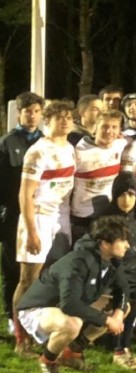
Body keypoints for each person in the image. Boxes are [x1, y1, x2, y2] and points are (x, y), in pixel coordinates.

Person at [16, 216, 131, 373]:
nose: (128, 245)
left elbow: (123, 288)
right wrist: (107, 321)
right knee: (73, 324)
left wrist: (118, 315)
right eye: (122, 240)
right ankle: (48, 362)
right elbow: (69, 305)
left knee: (123, 307)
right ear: (105, 244)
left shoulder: (112, 259)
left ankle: (72, 352)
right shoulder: (78, 262)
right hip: (37, 309)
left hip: (66, 305)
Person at [13, 100, 76, 357]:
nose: (65, 121)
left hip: (59, 219)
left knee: (52, 279)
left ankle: (46, 330)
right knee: (28, 279)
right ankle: (20, 337)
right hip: (37, 217)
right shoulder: (38, 151)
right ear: (46, 121)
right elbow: (25, 194)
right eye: (59, 117)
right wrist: (32, 231)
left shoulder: (70, 147)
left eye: (68, 117)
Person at [0, 92, 44, 336]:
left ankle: (34, 314)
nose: (32, 115)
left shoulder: (45, 142)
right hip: (13, 216)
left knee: (36, 269)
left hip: (40, 216)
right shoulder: (7, 142)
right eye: (28, 111)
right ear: (19, 113)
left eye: (36, 111)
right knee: (12, 268)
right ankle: (11, 316)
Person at [100, 172, 136, 370]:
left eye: (131, 195)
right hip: (111, 278)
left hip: (134, 277)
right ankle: (120, 351)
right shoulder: (105, 221)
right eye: (122, 195)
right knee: (126, 297)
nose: (127, 200)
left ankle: (122, 345)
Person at [70, 110, 128, 243]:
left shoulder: (121, 145)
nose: (109, 131)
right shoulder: (78, 151)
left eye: (114, 127)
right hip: (83, 216)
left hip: (108, 214)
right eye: (105, 126)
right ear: (95, 128)